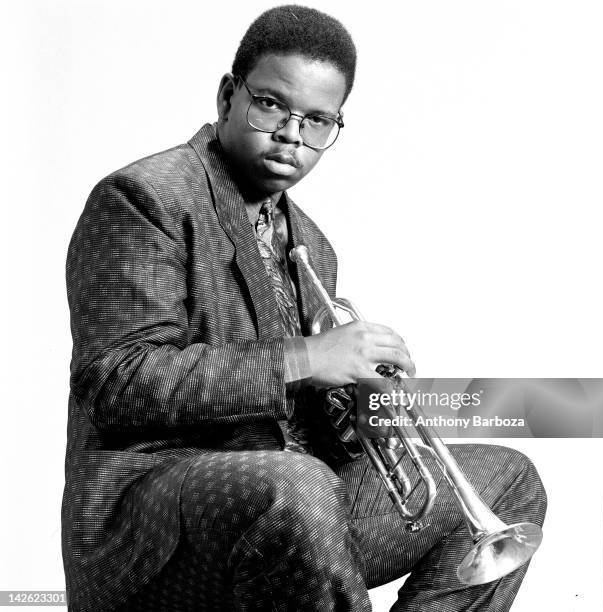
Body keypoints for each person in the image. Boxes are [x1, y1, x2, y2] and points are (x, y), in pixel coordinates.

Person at [62, 5, 547, 611]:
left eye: (318, 120)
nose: (292, 134)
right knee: (295, 486)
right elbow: (116, 381)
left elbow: (311, 428)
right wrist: (307, 358)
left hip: (295, 507)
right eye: (271, 105)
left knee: (507, 480)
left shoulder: (309, 244)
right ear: (227, 96)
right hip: (156, 521)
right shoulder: (145, 198)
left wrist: (364, 411)